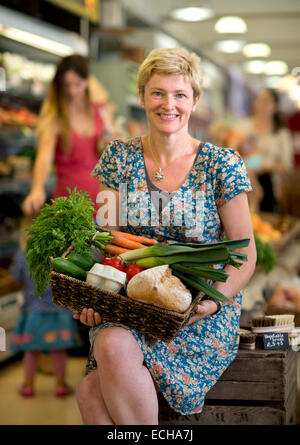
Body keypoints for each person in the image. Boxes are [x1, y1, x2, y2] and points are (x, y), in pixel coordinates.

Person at [74, 47, 257, 425]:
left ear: (195, 101)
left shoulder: (221, 164)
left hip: (199, 309)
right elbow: (105, 240)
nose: (168, 104)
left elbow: (245, 253)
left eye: (179, 94)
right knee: (101, 361)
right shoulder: (118, 159)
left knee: (92, 392)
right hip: (133, 303)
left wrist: (215, 301)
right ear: (141, 97)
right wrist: (96, 293)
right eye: (158, 93)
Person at [22, 54, 118, 216]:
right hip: (68, 204)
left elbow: (111, 147)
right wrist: (37, 188)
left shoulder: (99, 110)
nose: (72, 91)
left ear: (87, 82)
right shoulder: (55, 117)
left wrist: (111, 141)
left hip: (102, 201)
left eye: (77, 84)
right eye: (67, 85)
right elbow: (44, 157)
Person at [10, 216, 82, 398]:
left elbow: (16, 278)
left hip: (32, 313)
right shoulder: (58, 254)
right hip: (58, 311)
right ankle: (60, 386)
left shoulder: (22, 254)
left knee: (31, 351)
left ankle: (28, 386)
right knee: (58, 350)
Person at [229, 88, 294, 213]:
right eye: (259, 100)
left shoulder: (281, 134)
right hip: (242, 181)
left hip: (270, 184)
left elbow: (287, 165)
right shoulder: (243, 126)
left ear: (275, 107)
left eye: (267, 101)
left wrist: (264, 166)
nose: (261, 104)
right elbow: (231, 151)